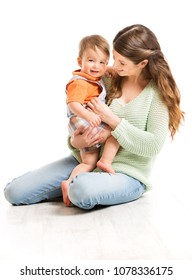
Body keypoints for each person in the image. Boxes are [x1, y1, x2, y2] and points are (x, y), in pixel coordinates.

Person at [4, 24, 184, 210]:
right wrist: (76, 141)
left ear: (142, 64)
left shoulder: (158, 94)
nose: (114, 66)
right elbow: (79, 113)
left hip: (126, 173)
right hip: (85, 161)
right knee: (15, 192)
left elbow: (153, 145)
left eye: (122, 63)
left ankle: (78, 185)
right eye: (114, 59)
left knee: (81, 189)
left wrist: (112, 119)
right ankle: (77, 183)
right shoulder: (108, 78)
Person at [62, 35, 119, 206]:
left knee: (88, 162)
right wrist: (89, 116)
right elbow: (73, 103)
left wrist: (107, 68)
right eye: (91, 60)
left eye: (102, 62)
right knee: (115, 134)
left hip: (79, 124)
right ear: (80, 61)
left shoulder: (92, 77)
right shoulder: (79, 83)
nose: (97, 66)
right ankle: (106, 161)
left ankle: (69, 182)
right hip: (83, 121)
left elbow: (100, 67)